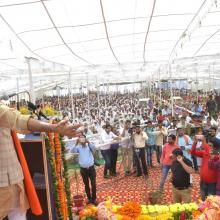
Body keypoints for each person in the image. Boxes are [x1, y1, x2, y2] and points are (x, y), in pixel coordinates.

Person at [0, 101, 79, 220]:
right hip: (6, 181)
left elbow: (19, 121)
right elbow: (19, 120)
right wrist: (54, 128)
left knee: (18, 213)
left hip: (13, 178)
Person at [69, 134, 97, 205]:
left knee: (93, 184)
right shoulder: (78, 147)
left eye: (83, 138)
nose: (82, 140)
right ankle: (89, 198)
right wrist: (76, 142)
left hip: (91, 168)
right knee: (86, 184)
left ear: (85, 139)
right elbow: (72, 151)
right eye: (80, 138)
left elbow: (94, 148)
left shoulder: (89, 146)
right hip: (83, 169)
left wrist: (89, 142)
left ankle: (94, 199)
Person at [191, 135, 217, 200]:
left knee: (210, 201)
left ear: (215, 147)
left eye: (210, 145)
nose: (208, 147)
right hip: (203, 181)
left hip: (212, 183)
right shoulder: (204, 153)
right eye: (209, 145)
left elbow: (209, 150)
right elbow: (192, 152)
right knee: (203, 199)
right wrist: (195, 142)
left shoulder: (216, 155)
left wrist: (203, 140)